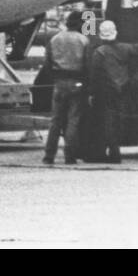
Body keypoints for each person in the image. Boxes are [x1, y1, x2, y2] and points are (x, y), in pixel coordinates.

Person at [42, 10, 90, 165]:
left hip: (59, 82)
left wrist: (55, 78)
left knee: (55, 121)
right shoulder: (84, 40)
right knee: (73, 120)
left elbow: (47, 63)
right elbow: (87, 65)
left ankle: (49, 155)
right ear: (80, 24)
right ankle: (70, 155)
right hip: (76, 82)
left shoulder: (55, 39)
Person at [88, 21, 138, 165]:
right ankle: (114, 150)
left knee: (106, 122)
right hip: (122, 91)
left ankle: (113, 152)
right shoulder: (126, 48)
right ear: (116, 33)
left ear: (101, 35)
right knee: (118, 121)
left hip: (105, 92)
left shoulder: (99, 52)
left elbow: (94, 75)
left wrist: (91, 93)